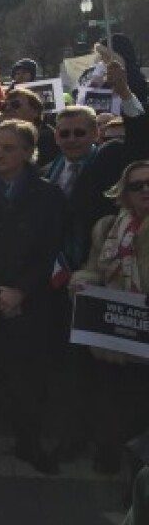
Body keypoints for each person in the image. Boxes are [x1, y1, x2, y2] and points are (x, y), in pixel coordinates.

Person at [0, 120, 65, 476]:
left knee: (28, 378)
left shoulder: (49, 194)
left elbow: (51, 249)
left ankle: (29, 443)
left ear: (27, 152)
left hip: (29, 300)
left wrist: (21, 291)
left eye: (7, 147)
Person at [70, 160, 149, 475]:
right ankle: (110, 456)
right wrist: (82, 281)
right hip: (114, 334)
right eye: (137, 185)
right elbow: (94, 268)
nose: (145, 190)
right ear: (124, 193)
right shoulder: (106, 227)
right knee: (113, 401)